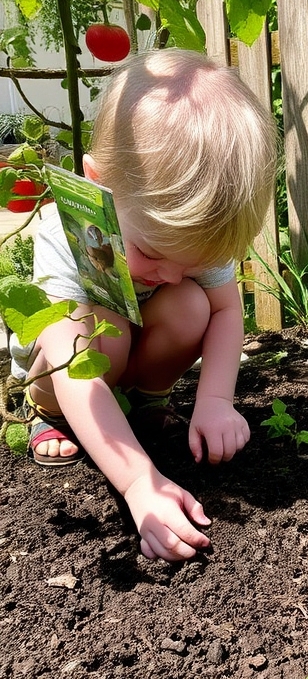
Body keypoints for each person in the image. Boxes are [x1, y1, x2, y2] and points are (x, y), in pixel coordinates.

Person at [10, 48, 278, 563]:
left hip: (131, 358)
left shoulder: (185, 240)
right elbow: (73, 370)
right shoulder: (68, 234)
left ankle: (148, 401)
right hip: (62, 374)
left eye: (192, 262)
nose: (171, 274)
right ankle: (47, 417)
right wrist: (139, 483)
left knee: (193, 305)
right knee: (102, 326)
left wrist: (216, 400)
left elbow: (226, 312)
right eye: (152, 254)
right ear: (98, 184)